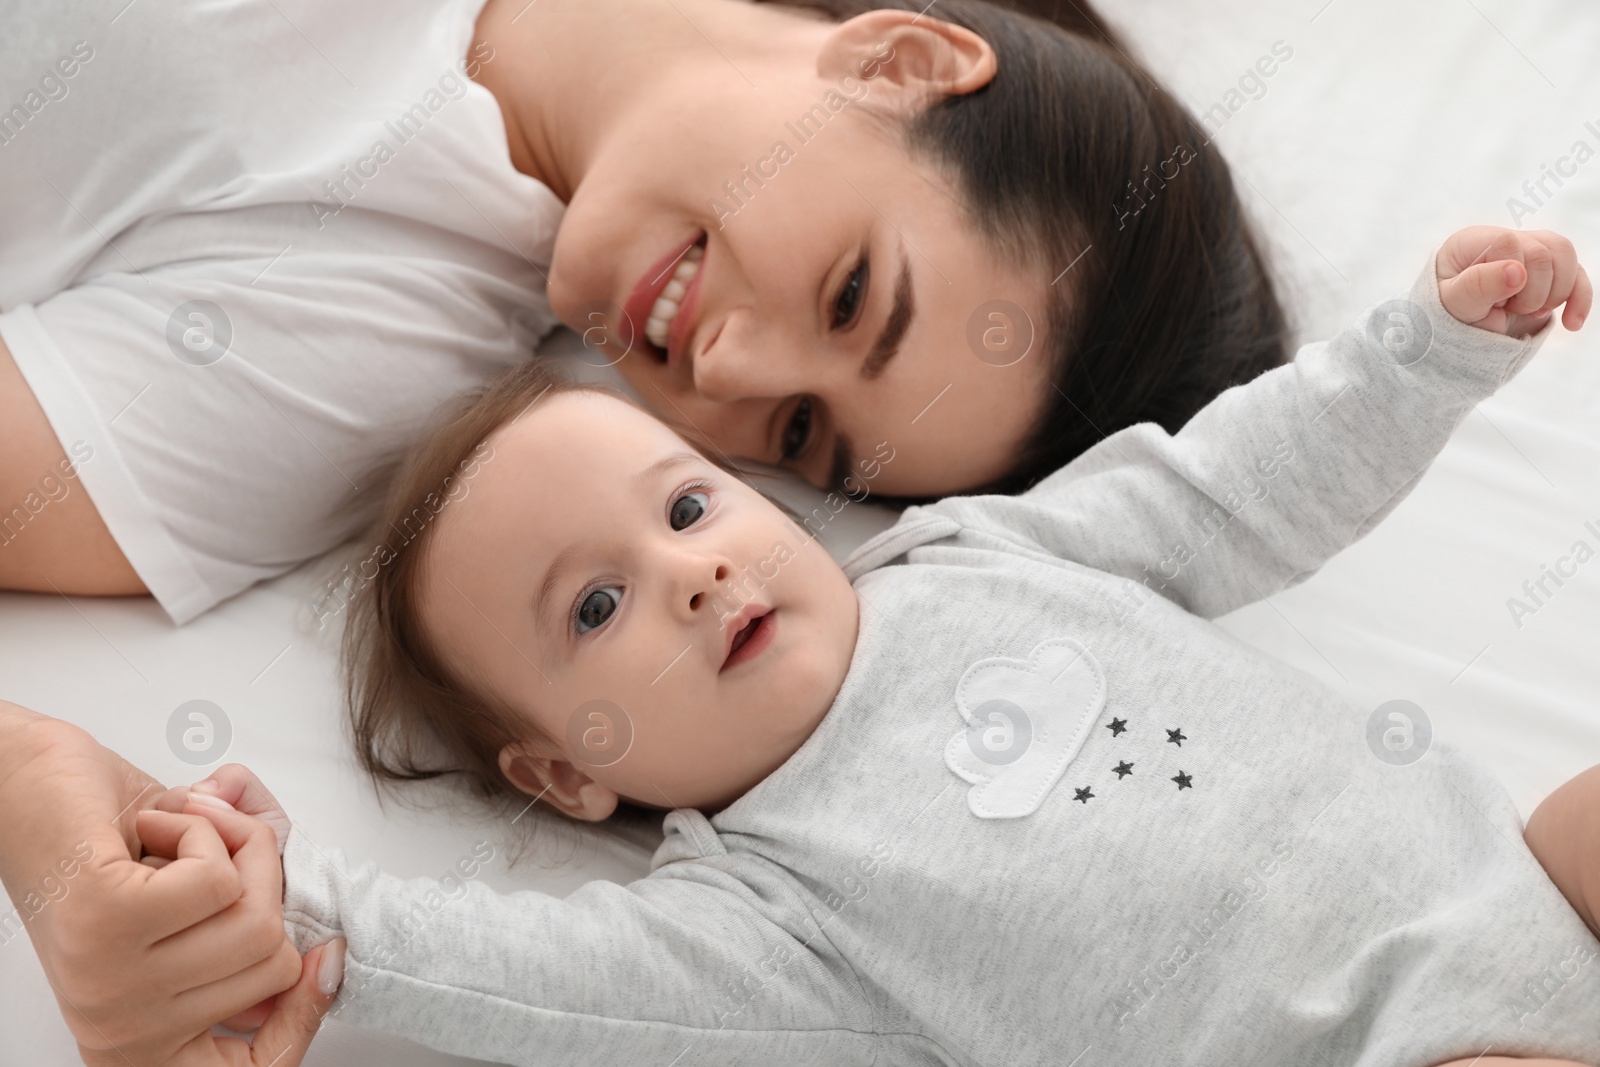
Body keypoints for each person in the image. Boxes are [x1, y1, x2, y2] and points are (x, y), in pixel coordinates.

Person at [5, 225, 1589, 1064]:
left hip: (1519, 879)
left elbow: (1239, 485)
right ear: (561, 772)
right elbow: (518, 976)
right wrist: (280, 904)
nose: (686, 576)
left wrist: (1426, 347)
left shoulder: (984, 546)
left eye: (687, 508)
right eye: (598, 607)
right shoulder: (769, 909)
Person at [0, 0, 1286, 623]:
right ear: (902, 62)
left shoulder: (357, 354)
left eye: (796, 432)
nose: (725, 369)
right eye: (849, 297)